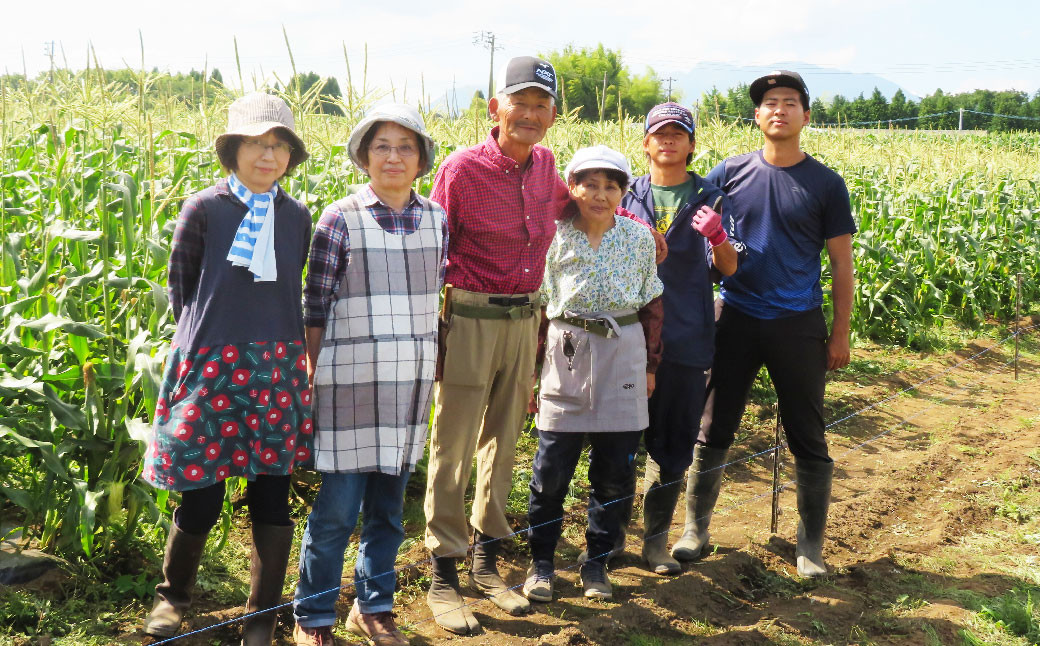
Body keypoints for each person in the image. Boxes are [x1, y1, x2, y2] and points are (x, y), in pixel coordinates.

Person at [141, 92, 313, 645]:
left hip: (278, 368)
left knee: (271, 492)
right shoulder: (205, 209)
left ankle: (261, 614)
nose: (269, 155)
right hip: (213, 367)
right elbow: (182, 288)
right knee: (202, 493)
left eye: (280, 145)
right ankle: (173, 599)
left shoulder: (297, 216)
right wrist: (214, 341)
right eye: (258, 143)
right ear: (233, 149)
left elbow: (294, 285)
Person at [679, 71, 855, 577]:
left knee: (807, 432)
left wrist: (839, 331)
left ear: (804, 115)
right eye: (769, 103)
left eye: (790, 102)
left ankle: (810, 546)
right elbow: (691, 236)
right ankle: (695, 529)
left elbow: (842, 264)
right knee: (713, 425)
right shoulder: (728, 173)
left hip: (797, 322)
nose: (778, 109)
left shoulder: (825, 183)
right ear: (756, 116)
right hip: (733, 315)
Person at [291, 104, 445, 646]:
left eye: (406, 147)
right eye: (382, 145)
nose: (394, 156)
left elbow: (432, 302)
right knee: (336, 512)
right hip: (350, 385)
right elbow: (316, 305)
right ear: (364, 156)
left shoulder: (436, 218)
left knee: (389, 512)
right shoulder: (341, 217)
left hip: (409, 386)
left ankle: (372, 606)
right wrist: (311, 376)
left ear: (422, 159)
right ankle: (312, 618)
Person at [521, 146, 664, 602]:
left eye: (611, 186)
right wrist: (530, 372)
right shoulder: (554, 236)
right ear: (573, 187)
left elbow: (651, 305)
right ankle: (541, 564)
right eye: (590, 184)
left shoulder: (639, 238)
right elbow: (540, 310)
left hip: (623, 350)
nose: (600, 195)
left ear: (624, 192)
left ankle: (596, 563)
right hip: (566, 350)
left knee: (614, 471)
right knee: (551, 468)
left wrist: (650, 367)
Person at [618, 103, 739, 575]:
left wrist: (719, 236)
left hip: (687, 337)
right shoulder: (624, 193)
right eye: (659, 134)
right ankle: (606, 544)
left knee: (673, 445)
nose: (668, 141)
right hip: (628, 337)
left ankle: (654, 543)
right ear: (645, 143)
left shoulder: (713, 197)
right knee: (619, 444)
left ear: (691, 144)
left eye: (678, 134)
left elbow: (728, 269)